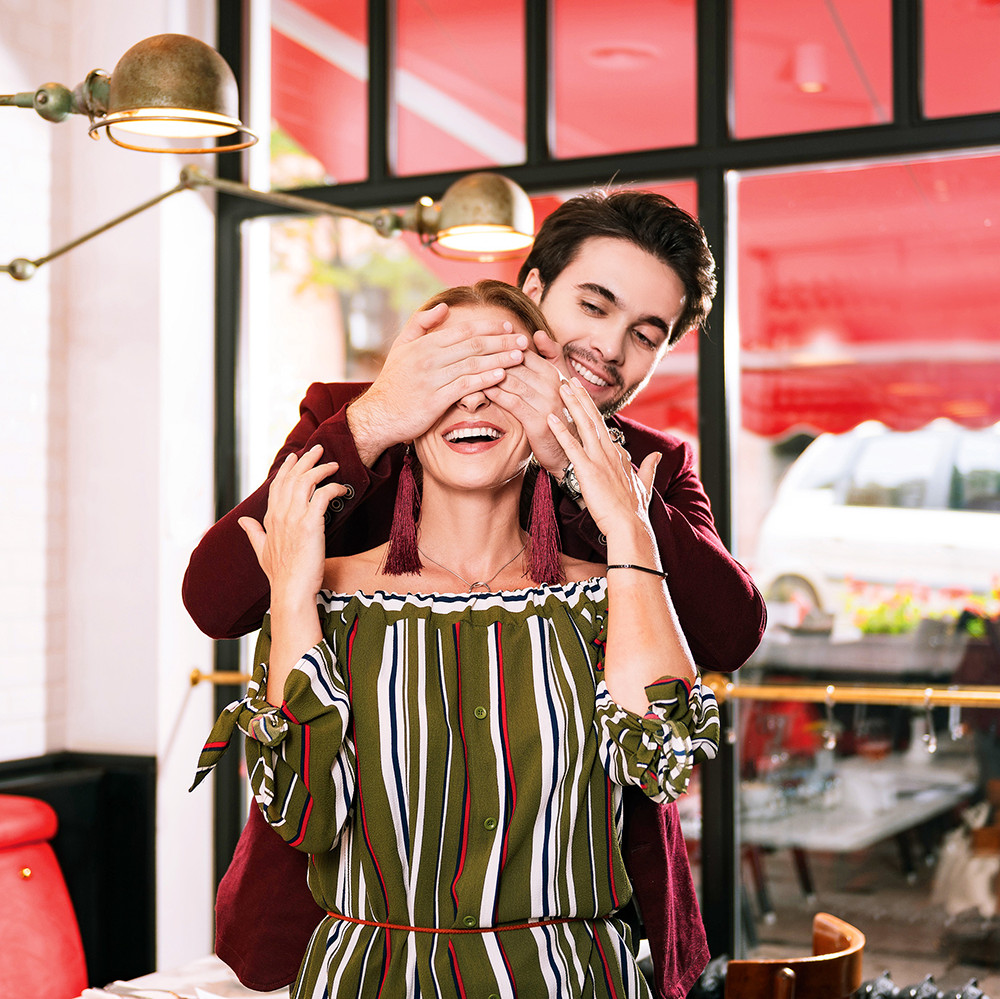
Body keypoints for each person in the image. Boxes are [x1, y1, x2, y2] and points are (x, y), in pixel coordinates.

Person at [183, 190, 766, 998]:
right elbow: (216, 599)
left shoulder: (649, 465)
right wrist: (378, 420)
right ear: (534, 290)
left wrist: (593, 480)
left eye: (646, 334)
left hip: (579, 939)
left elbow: (730, 634)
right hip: (364, 927)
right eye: (594, 305)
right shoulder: (372, 418)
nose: (608, 347)